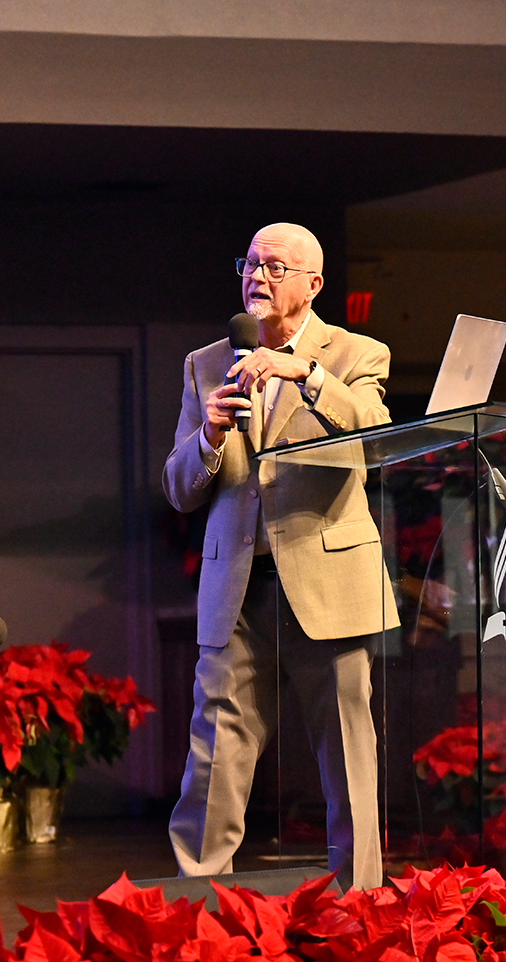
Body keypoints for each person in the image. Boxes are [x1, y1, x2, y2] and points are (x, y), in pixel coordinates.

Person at [163, 222, 397, 888]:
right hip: (236, 585)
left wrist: (306, 373)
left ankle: (361, 901)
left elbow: (375, 438)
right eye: (250, 263)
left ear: (313, 284)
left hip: (327, 579)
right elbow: (179, 488)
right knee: (214, 754)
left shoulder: (356, 353)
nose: (257, 277)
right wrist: (208, 435)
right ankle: (197, 902)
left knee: (347, 751)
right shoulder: (207, 363)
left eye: (275, 267)